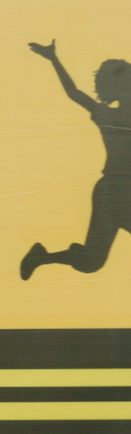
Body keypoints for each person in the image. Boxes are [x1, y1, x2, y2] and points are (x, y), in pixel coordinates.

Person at [19, 41, 131, 279]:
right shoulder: (105, 115)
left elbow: (74, 93)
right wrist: (54, 60)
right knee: (91, 262)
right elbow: (74, 93)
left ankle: (42, 257)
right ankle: (42, 257)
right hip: (113, 193)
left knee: (90, 262)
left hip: (117, 193)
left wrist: (53, 59)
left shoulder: (105, 114)